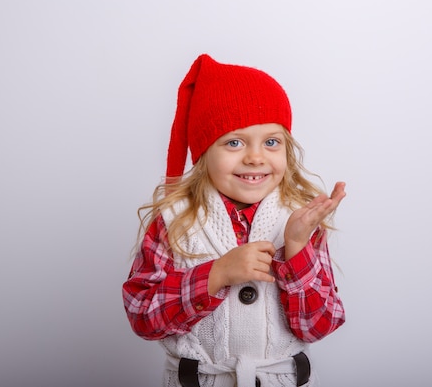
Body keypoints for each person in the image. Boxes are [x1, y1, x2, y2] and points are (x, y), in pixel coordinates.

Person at [122, 54, 346, 387]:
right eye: (234, 142)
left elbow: (320, 325)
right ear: (203, 153)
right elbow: (143, 317)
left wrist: (297, 249)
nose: (255, 157)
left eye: (271, 142)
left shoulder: (299, 221)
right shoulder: (174, 220)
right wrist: (216, 274)